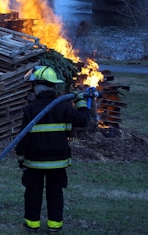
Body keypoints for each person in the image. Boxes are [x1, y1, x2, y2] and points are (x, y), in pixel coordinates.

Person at [16, 66, 91, 233]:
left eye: (33, 85)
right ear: (52, 85)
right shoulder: (63, 107)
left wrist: (21, 160)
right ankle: (54, 226)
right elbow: (84, 121)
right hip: (58, 162)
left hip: (34, 162)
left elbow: (22, 138)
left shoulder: (31, 109)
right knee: (55, 193)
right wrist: (81, 102)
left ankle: (32, 224)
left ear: (38, 86)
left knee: (33, 193)